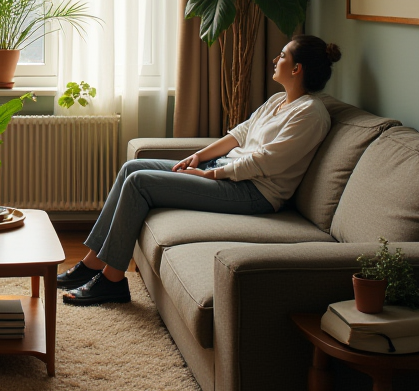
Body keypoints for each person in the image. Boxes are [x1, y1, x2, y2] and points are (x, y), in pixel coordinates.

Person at [60, 34, 342, 305]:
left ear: (296, 68)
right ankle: (92, 262)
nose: (273, 59)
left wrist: (211, 175)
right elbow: (240, 134)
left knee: (139, 183)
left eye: (281, 55)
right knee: (131, 168)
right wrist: (198, 157)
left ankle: (112, 281)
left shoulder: (310, 114)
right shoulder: (277, 101)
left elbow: (266, 161)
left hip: (254, 192)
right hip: (227, 172)